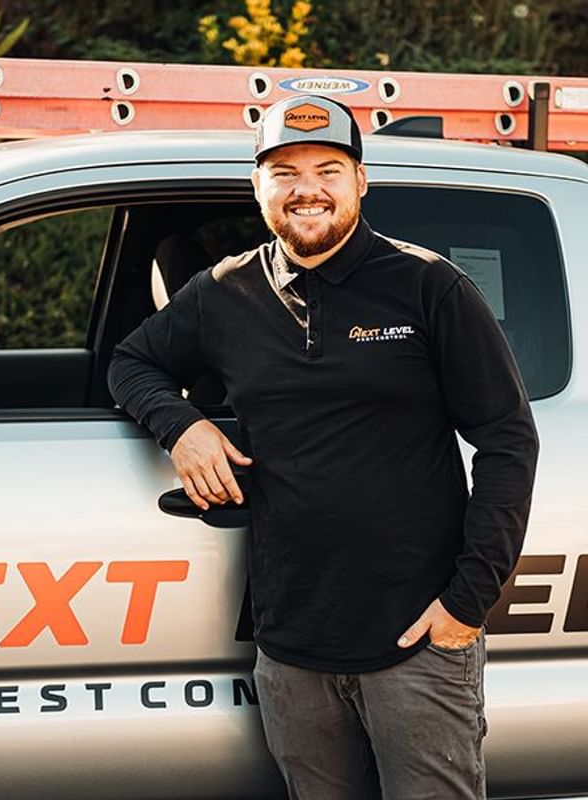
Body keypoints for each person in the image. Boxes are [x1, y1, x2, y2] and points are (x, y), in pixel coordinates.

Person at [106, 93, 539, 799]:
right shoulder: (223, 293)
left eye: (328, 169)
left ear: (360, 182)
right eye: (285, 172)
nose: (307, 189)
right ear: (258, 186)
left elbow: (507, 439)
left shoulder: (428, 287)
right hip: (291, 649)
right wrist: (180, 426)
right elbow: (130, 362)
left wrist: (467, 604)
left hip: (418, 639)